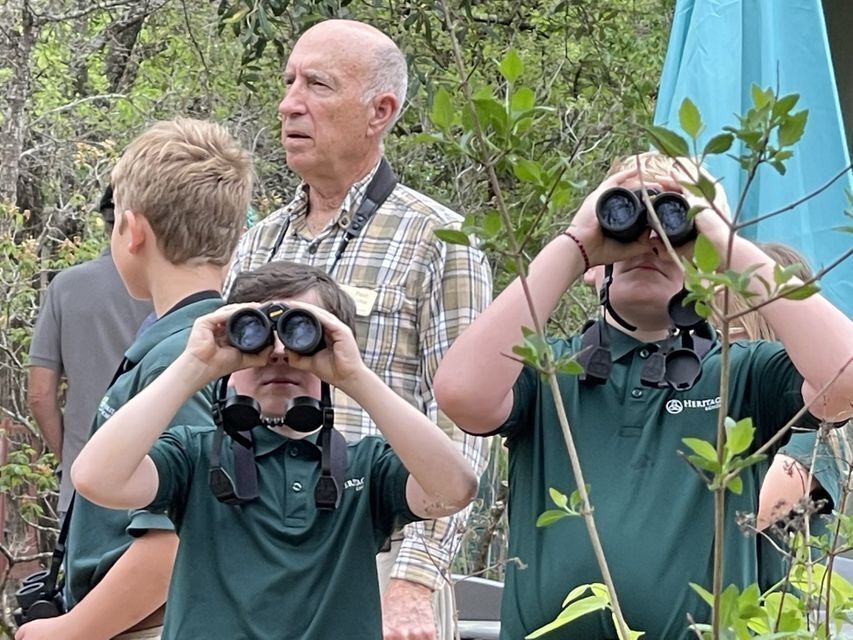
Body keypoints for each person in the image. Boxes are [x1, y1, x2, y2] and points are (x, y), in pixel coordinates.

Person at [434, 152, 853, 638]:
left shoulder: (740, 375)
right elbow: (461, 393)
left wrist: (720, 234)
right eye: (629, 216)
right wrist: (574, 245)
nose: (649, 241)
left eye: (673, 222)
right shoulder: (548, 371)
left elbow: (843, 379)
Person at [225, 18, 492, 639]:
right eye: (289, 81)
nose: (290, 103)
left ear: (380, 110)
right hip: (257, 551)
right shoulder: (255, 242)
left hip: (378, 557)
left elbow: (467, 424)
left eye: (317, 85)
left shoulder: (439, 239)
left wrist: (414, 580)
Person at [70, 260, 478, 639]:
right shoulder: (196, 456)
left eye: (303, 336)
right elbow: (95, 478)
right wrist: (196, 364)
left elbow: (454, 489)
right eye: (259, 336)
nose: (281, 353)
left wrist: (355, 376)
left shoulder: (366, 467)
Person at [16, 118, 252, 640]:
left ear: (132, 229)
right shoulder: (191, 342)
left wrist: (71, 630)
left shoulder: (183, 359)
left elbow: (172, 542)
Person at [27, 185, 153, 518]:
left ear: (107, 223)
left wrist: (72, 460)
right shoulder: (170, 288)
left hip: (84, 489)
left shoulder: (66, 287)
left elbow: (40, 395)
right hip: (157, 484)